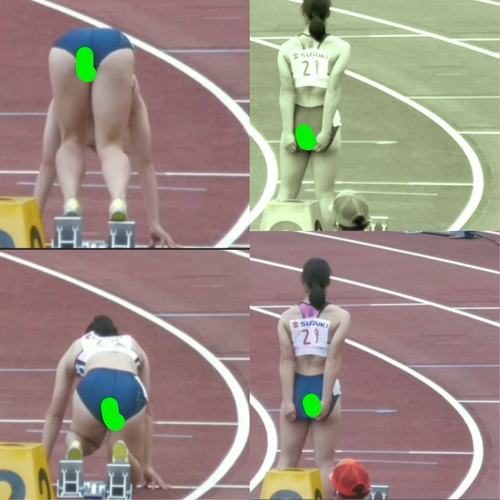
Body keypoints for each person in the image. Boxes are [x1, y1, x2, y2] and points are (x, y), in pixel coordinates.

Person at [34, 27, 179, 248]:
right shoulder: (131, 99)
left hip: (69, 46)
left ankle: (70, 201)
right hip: (112, 47)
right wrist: (153, 221)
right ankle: (118, 200)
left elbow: (47, 164)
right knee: (111, 147)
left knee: (70, 142)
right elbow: (144, 162)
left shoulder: (59, 106)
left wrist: (33, 220)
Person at [41, 315, 168, 489]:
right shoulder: (132, 344)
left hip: (94, 386)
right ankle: (122, 455)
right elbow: (147, 412)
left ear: (89, 334)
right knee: (130, 475)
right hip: (128, 389)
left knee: (78, 436)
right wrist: (146, 465)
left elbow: (54, 414)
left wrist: (42, 463)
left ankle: (76, 445)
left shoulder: (79, 345)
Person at [274, 258, 351, 498]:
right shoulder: (341, 317)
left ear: (302, 281)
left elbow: (286, 361)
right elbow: (333, 360)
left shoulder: (286, 318)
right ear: (328, 282)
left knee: (286, 461)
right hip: (321, 389)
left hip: (298, 389)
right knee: (326, 463)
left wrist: (289, 401)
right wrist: (326, 401)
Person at [276, 0, 351, 228]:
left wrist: (288, 132)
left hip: (298, 123)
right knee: (326, 195)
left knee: (286, 193)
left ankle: (271, 240)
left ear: (304, 13)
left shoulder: (287, 48)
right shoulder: (341, 47)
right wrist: (326, 132)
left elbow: (286, 92)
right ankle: (331, 241)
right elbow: (333, 91)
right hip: (323, 121)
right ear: (328, 14)